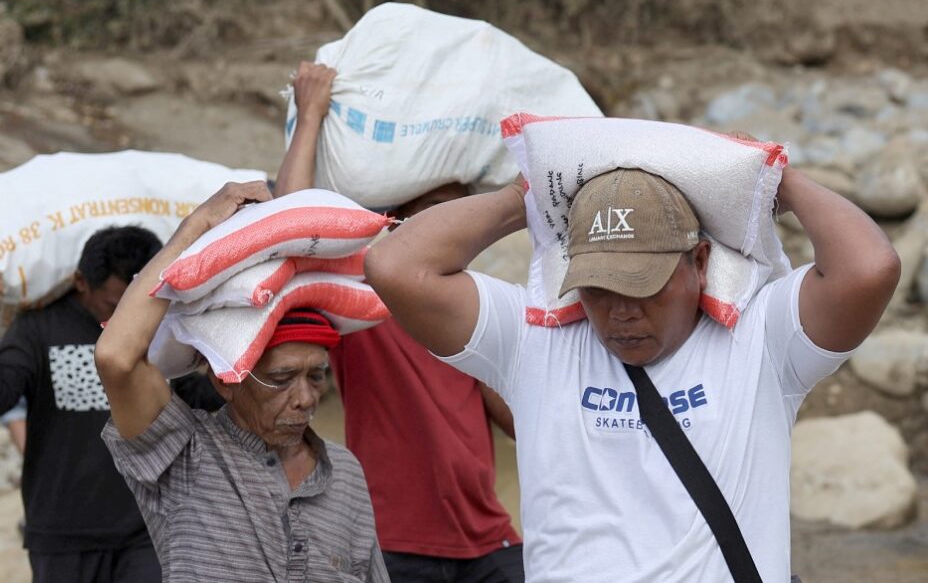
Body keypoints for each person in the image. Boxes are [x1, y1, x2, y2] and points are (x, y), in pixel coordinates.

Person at [363, 155, 901, 581]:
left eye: (643, 286)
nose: (620, 312)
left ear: (699, 263)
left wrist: (779, 183)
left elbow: (869, 267)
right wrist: (529, 192)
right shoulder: (535, 341)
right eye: (597, 289)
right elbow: (396, 266)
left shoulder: (760, 339)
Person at [277, 61, 523, 582]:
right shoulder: (364, 302)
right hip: (395, 545)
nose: (450, 233)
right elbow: (291, 229)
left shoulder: (477, 308)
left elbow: (522, 421)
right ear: (398, 226)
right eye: (434, 215)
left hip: (490, 540)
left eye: (461, 219)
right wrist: (311, 114)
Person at [94, 181, 389, 583]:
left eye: (316, 376)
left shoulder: (344, 472)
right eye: (281, 378)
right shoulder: (185, 455)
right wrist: (195, 226)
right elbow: (117, 358)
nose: (305, 399)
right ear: (224, 381)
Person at [0, 225, 220, 583]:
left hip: (149, 530)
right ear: (81, 282)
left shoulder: (158, 328)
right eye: (114, 304)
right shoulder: (39, 329)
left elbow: (204, 401)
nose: (127, 317)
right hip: (62, 536)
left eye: (135, 302)